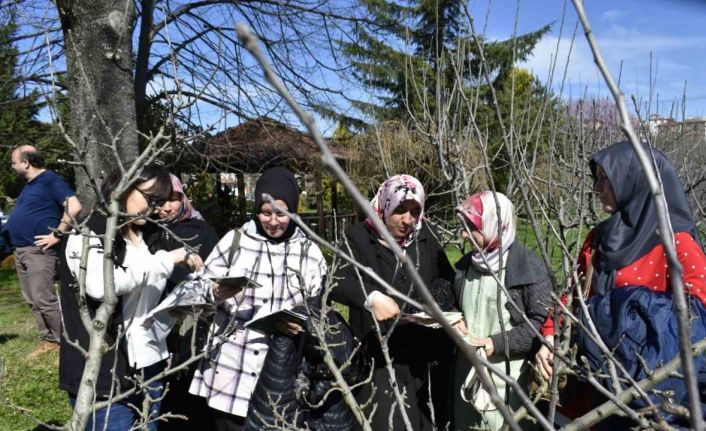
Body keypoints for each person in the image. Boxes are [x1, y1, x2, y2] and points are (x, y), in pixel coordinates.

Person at [535, 141, 706, 426]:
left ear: (633, 181)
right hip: (598, 383)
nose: (597, 187)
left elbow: (699, 314)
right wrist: (550, 336)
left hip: (653, 391)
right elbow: (574, 294)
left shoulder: (675, 243)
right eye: (597, 178)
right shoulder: (599, 238)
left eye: (605, 178)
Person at [59, 164, 204, 431]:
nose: (153, 208)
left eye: (159, 202)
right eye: (150, 199)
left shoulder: (144, 236)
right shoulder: (89, 232)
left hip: (148, 364)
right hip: (105, 370)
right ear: (123, 185)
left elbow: (147, 296)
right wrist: (168, 260)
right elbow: (101, 287)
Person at [189, 166, 327, 431]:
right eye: (266, 213)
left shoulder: (309, 252)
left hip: (281, 372)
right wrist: (214, 293)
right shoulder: (234, 242)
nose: (273, 221)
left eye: (281, 214)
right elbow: (196, 292)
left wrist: (302, 322)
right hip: (231, 371)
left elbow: (319, 308)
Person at [330, 174, 455, 431]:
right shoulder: (359, 238)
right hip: (378, 357)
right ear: (386, 204)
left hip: (423, 356)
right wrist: (370, 297)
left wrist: (438, 305)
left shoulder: (425, 238)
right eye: (399, 210)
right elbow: (337, 280)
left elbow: (448, 281)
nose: (407, 220)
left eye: (414, 211)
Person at [452, 191, 551, 431]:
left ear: (496, 224)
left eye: (471, 227)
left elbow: (539, 322)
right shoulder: (466, 266)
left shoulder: (528, 267)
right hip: (468, 372)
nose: (464, 235)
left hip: (509, 377)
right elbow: (453, 302)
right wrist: (455, 319)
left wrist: (494, 343)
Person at [145, 174, 219, 431]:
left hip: (190, 315)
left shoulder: (201, 230)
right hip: (152, 312)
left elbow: (214, 271)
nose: (167, 207)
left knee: (187, 370)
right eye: (161, 201)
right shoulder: (147, 231)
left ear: (183, 198)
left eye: (173, 200)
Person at [4, 145, 82, 359]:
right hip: (22, 250)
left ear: (26, 163)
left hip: (38, 251)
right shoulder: (30, 185)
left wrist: (57, 234)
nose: (12, 166)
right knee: (33, 299)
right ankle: (48, 341)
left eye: (13, 162)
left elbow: (74, 206)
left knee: (44, 299)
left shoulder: (49, 179)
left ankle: (66, 347)